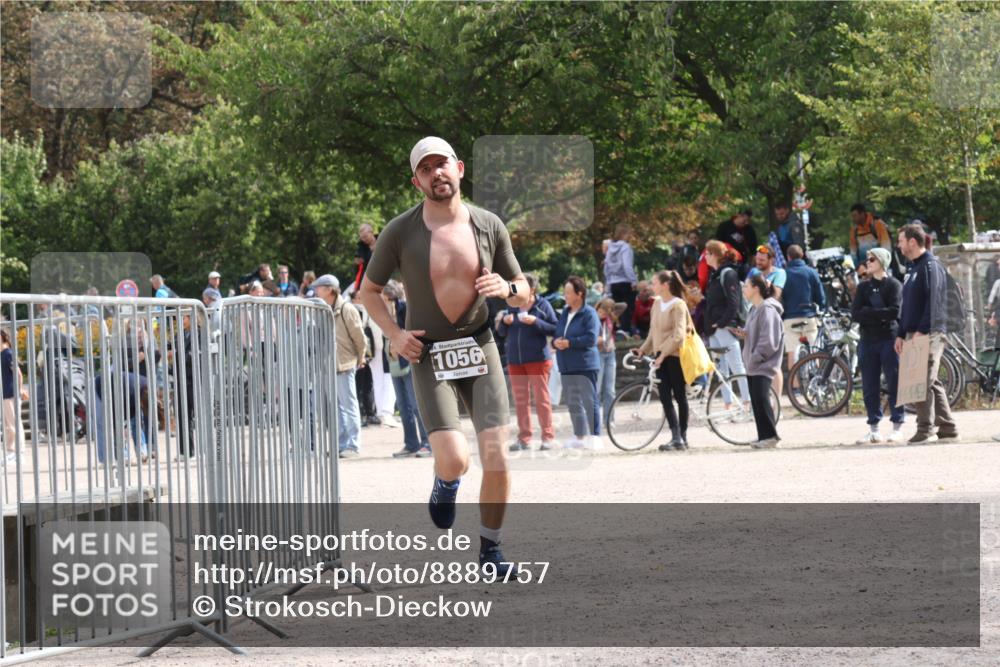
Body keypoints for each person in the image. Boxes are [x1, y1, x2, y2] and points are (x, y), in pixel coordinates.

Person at [358, 136, 530, 576]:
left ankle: (490, 551)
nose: (436, 172)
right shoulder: (400, 230)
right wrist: (395, 335)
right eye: (425, 168)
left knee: (497, 456)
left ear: (460, 168)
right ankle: (446, 480)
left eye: (443, 164)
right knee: (455, 459)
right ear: (415, 181)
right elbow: (368, 292)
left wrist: (507, 288)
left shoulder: (489, 224)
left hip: (479, 345)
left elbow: (523, 292)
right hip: (429, 353)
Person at [895, 223, 958, 444]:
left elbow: (935, 301)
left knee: (921, 379)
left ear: (912, 242)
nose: (899, 245)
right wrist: (901, 333)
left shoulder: (931, 265)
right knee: (931, 381)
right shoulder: (912, 268)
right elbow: (907, 305)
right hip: (914, 332)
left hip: (931, 332)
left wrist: (922, 330)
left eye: (901, 241)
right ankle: (948, 427)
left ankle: (925, 428)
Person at [496, 273, 558, 452]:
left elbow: (555, 328)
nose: (517, 290)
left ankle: (548, 438)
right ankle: (524, 439)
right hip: (515, 360)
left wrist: (536, 322)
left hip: (538, 359)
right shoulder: (512, 305)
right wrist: (504, 322)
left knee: (542, 400)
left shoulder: (543, 305)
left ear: (532, 289)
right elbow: (501, 333)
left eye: (521, 286)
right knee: (521, 401)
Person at [634, 270, 692, 451]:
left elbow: (678, 335)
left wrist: (663, 355)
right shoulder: (657, 304)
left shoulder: (678, 305)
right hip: (660, 356)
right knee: (665, 397)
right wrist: (643, 350)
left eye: (655, 283)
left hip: (674, 357)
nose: (652, 286)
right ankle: (675, 436)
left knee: (680, 396)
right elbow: (653, 333)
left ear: (665, 285)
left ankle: (682, 436)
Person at [851, 248, 905, 444]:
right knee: (869, 385)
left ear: (882, 261)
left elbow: (895, 312)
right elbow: (855, 314)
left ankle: (897, 426)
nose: (868, 262)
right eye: (867, 259)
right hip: (867, 340)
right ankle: (873, 427)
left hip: (889, 339)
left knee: (894, 382)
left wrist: (869, 312)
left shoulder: (894, 285)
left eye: (872, 259)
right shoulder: (863, 287)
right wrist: (879, 314)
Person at [313, 274, 367, 458]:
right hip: (329, 366)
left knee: (349, 406)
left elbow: (359, 337)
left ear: (329, 289)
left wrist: (360, 358)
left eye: (319, 287)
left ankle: (353, 445)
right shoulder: (324, 309)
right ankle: (342, 444)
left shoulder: (347, 309)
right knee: (337, 409)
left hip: (345, 364)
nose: (316, 291)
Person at [382, 281, 432, 458]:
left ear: (390, 296)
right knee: (403, 406)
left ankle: (428, 443)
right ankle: (411, 443)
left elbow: (414, 332)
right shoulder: (384, 313)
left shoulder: (404, 308)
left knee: (416, 404)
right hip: (393, 361)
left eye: (382, 296)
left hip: (409, 361)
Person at [553, 277, 602, 450]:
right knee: (573, 402)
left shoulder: (589, 313)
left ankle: (595, 436)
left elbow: (591, 338)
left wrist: (570, 343)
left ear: (579, 294)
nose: (565, 295)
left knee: (589, 400)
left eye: (568, 292)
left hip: (585, 364)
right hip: (566, 364)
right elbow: (558, 333)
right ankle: (579, 436)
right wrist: (556, 342)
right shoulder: (565, 313)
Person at [703, 241, 750, 409]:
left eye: (707, 253)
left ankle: (748, 403)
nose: (704, 257)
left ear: (714, 255)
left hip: (725, 326)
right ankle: (728, 404)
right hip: (715, 328)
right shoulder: (715, 275)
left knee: (736, 366)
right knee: (721, 369)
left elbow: (733, 303)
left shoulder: (728, 274)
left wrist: (721, 323)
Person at [741, 274, 784, 448]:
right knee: (757, 401)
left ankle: (771, 436)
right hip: (753, 363)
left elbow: (769, 340)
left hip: (763, 363)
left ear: (756, 288)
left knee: (762, 398)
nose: (744, 289)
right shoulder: (754, 309)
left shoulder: (767, 309)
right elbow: (756, 332)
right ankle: (763, 437)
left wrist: (756, 357)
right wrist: (744, 333)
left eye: (746, 286)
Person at [781, 245, 826, 374]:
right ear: (802, 256)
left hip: (790, 318)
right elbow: (821, 297)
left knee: (792, 354)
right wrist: (822, 309)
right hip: (809, 317)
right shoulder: (811, 272)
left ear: (788, 257)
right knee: (813, 353)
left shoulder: (783, 273)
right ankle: (816, 381)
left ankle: (793, 384)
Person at [595, 298, 625, 426]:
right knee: (596, 389)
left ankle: (609, 419)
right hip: (598, 354)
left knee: (610, 390)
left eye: (605, 312)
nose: (601, 314)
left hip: (610, 353)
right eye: (600, 311)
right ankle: (594, 419)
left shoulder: (610, 318)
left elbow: (623, 305)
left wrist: (610, 304)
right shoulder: (592, 318)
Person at [603, 223, 638, 332]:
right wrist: (633, 281)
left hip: (613, 283)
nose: (630, 236)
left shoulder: (610, 248)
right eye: (629, 234)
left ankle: (615, 329)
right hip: (625, 282)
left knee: (616, 308)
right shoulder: (626, 247)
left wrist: (608, 282)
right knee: (627, 308)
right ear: (623, 234)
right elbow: (627, 265)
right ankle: (624, 330)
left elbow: (606, 266)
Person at [2, 329, 28, 463]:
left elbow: (18, 373)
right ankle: (12, 452)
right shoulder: (3, 354)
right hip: (5, 394)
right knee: (9, 425)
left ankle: (19, 453)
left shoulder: (8, 354)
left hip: (11, 394)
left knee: (14, 424)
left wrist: (20, 389)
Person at [849, 203, 892, 271]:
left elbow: (886, 245)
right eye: (852, 216)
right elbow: (853, 252)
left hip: (880, 265)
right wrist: (858, 267)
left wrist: (884, 264)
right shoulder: (854, 230)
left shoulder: (877, 224)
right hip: (865, 268)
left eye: (855, 216)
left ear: (862, 214)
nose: (853, 219)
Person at [714, 211, 757, 275]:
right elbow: (718, 243)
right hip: (725, 261)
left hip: (742, 262)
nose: (746, 223)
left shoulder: (749, 230)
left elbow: (753, 251)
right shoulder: (724, 226)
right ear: (738, 216)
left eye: (748, 221)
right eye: (744, 220)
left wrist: (752, 266)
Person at [354, 223, 378, 293]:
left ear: (371, 232)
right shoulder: (361, 245)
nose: (364, 239)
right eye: (362, 238)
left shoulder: (382, 238)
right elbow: (358, 260)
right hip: (368, 276)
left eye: (365, 236)